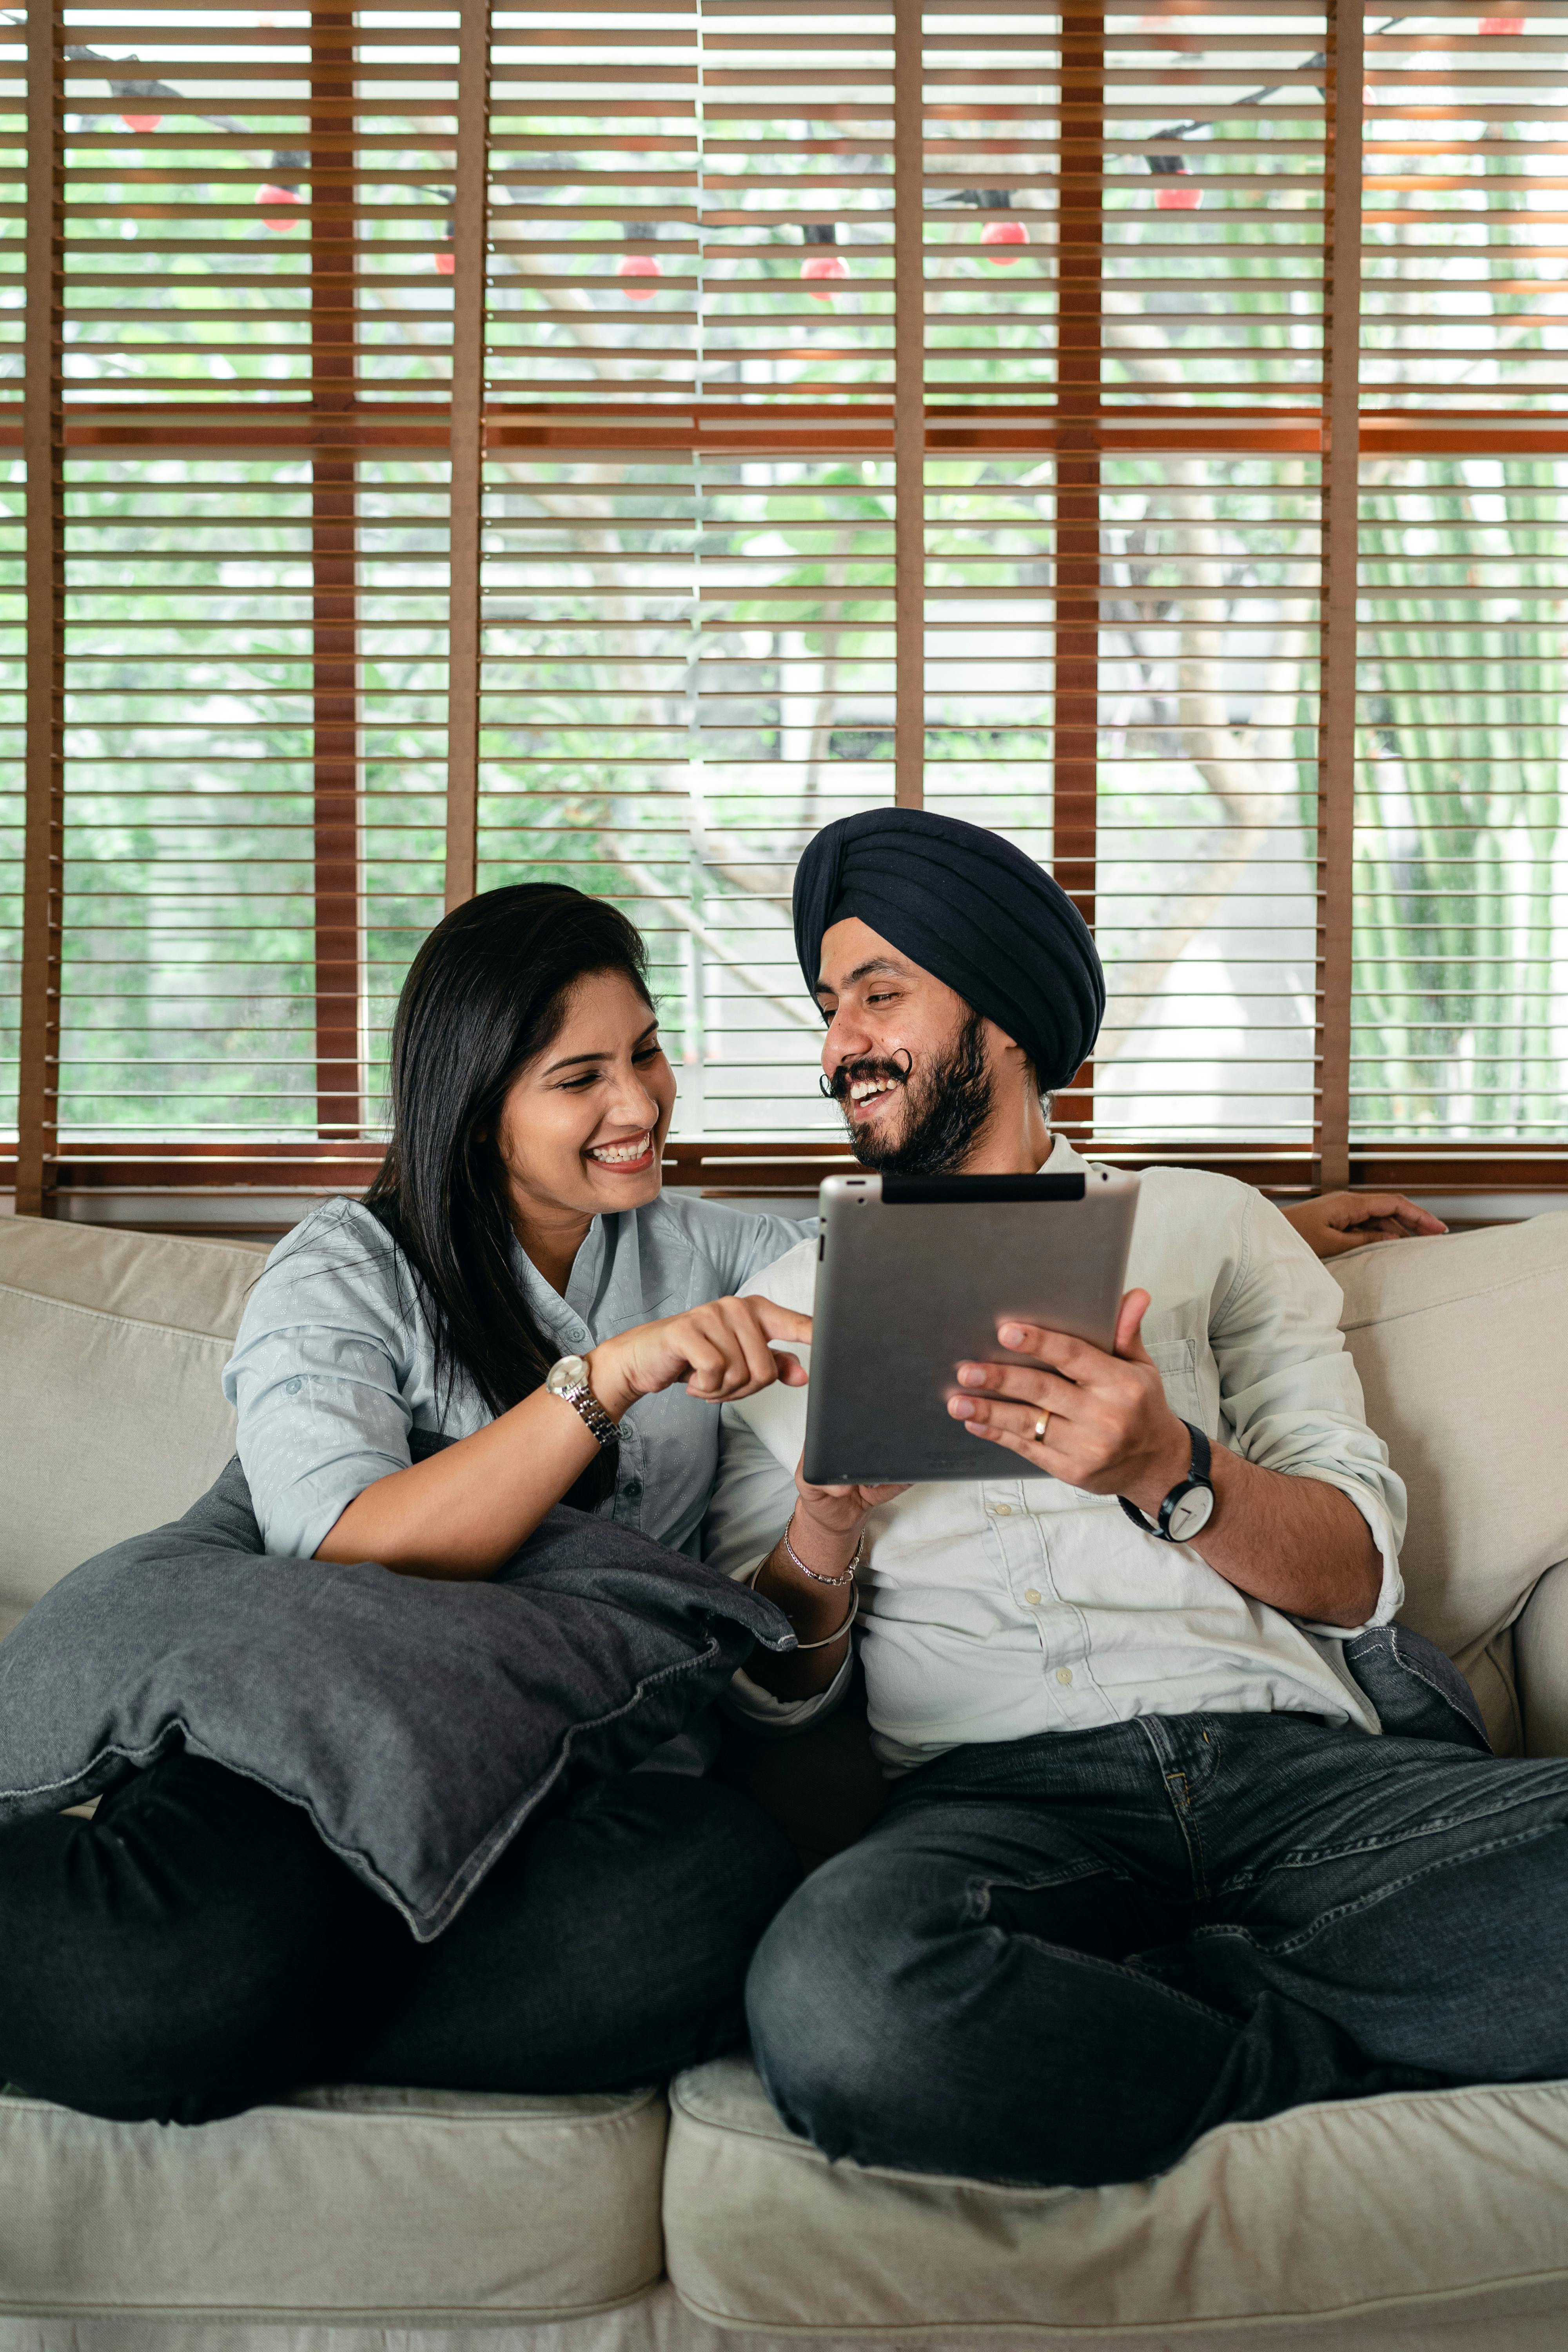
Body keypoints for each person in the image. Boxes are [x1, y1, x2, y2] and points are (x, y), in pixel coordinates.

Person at [704, 806, 1568, 2190]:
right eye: (826, 1007)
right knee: (839, 2007)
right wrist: (826, 1528)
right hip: (1001, 1807)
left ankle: (1169, 2016)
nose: (838, 1047)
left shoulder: (1212, 1226)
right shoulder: (784, 1313)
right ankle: (1316, 2036)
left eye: (879, 994)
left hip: (1307, 1779)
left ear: (1008, 1020)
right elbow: (772, 1694)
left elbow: (1355, 1578)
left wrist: (1167, 1473)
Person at [0, 884, 815, 2126]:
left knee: (714, 1893)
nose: (641, 1104)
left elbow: (898, 1296)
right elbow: (341, 1542)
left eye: (647, 1051)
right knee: (155, 1982)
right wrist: (602, 1380)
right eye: (579, 1076)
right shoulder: (344, 1269)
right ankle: (199, 1997)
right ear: (475, 1104)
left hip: (557, 1778)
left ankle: (244, 2016)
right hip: (316, 1749)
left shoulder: (710, 1253)